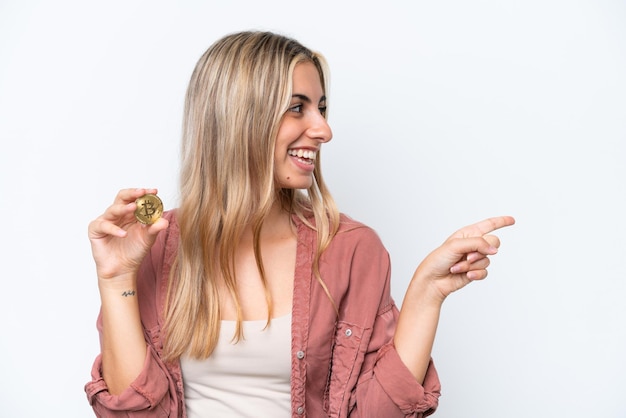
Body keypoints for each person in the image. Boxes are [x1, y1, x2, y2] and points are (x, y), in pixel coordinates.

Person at [84, 30, 515, 418]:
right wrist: (117, 277)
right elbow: (132, 414)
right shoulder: (153, 244)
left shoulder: (350, 248)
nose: (324, 129)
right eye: (298, 108)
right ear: (238, 118)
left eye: (322, 108)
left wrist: (427, 293)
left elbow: (373, 414)